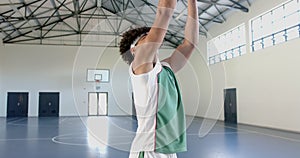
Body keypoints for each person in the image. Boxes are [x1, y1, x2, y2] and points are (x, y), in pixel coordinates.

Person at [119, 0, 199, 157]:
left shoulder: (166, 69)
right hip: (148, 149)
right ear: (134, 50)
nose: (150, 36)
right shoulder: (140, 67)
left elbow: (190, 43)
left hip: (168, 150)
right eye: (144, 37)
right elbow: (164, 12)